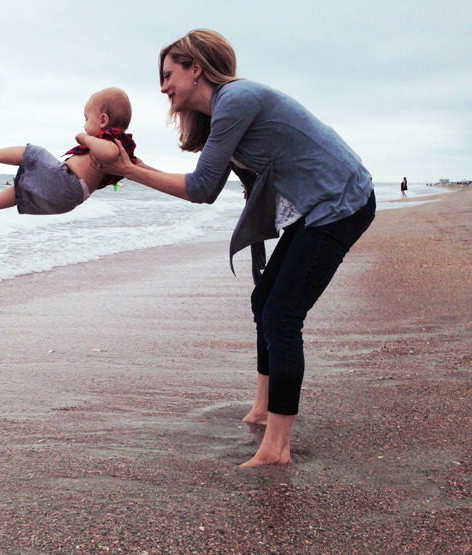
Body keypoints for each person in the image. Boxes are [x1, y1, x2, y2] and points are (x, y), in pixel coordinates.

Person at [95, 29, 375, 466]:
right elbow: (213, 183)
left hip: (342, 202)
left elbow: (200, 188)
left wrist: (129, 170)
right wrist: (133, 166)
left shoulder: (235, 100)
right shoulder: (221, 115)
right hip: (316, 206)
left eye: (168, 75)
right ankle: (263, 409)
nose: (163, 87)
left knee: (282, 315)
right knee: (264, 301)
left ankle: (277, 447)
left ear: (196, 69)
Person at [0, 88, 136, 215]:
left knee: (36, 153)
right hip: (69, 197)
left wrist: (86, 139)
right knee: (26, 187)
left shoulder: (110, 140)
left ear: (103, 120)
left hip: (68, 183)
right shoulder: (119, 147)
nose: (84, 125)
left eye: (87, 119)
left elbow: (110, 152)